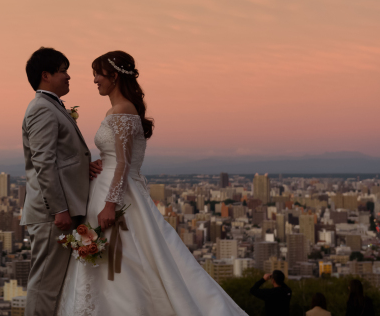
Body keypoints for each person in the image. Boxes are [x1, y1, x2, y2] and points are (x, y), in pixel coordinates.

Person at [57, 51, 248, 316]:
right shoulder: (116, 110)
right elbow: (115, 157)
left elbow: (122, 163)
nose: (95, 80)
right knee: (118, 258)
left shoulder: (123, 110)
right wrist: (94, 163)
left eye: (98, 75)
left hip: (114, 195)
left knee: (124, 260)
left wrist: (110, 205)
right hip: (107, 188)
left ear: (113, 76)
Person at [21, 47, 102, 316]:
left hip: (61, 210)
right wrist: (59, 209)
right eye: (63, 71)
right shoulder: (41, 109)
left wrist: (83, 168)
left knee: (56, 281)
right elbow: (43, 162)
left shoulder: (50, 106)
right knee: (45, 283)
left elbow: (59, 159)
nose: (69, 77)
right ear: (46, 75)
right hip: (51, 214)